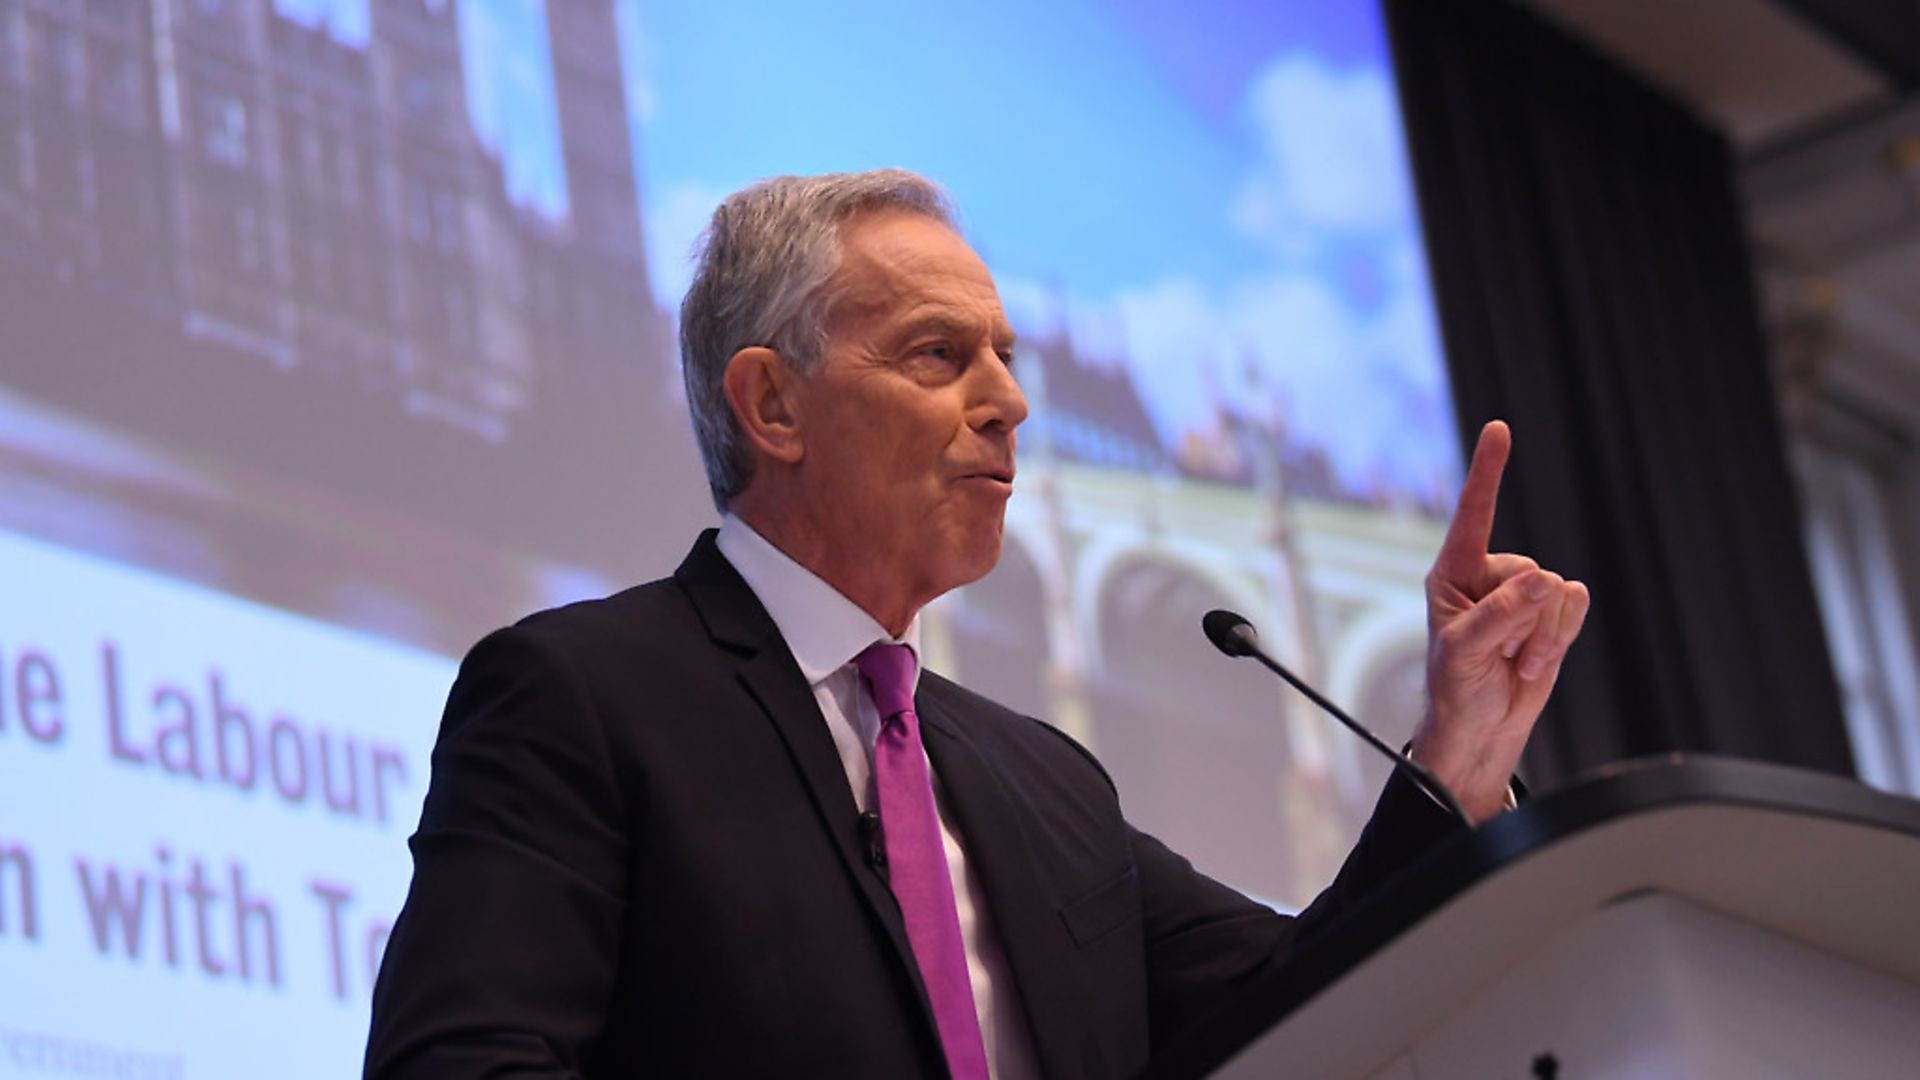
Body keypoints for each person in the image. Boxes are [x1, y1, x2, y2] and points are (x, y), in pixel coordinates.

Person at [363, 169, 1589, 1079]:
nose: (1008, 402)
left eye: (1005, 357)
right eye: (939, 355)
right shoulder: (582, 697)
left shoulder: (1047, 779)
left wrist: (1458, 754)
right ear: (773, 403)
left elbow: (1308, 1007)